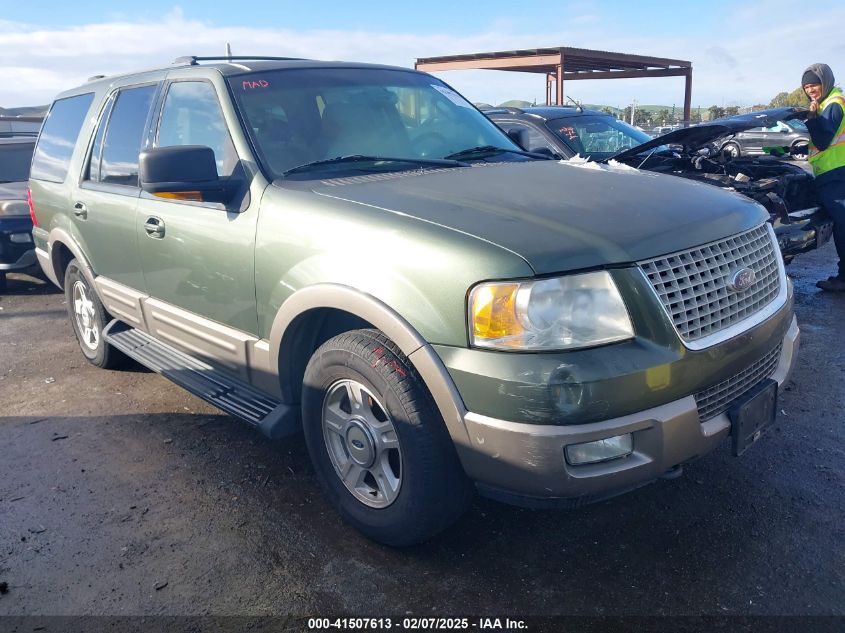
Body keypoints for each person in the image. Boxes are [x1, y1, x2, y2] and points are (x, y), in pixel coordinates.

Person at [802, 63, 845, 291]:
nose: (810, 90)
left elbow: (822, 140)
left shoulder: (833, 104)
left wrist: (810, 117)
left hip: (836, 174)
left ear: (825, 83)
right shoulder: (830, 102)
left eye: (814, 85)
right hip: (834, 171)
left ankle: (844, 278)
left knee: (843, 226)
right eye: (807, 87)